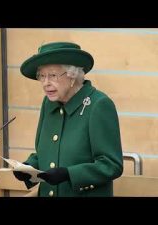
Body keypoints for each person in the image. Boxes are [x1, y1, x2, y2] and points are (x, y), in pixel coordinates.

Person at [13, 42, 123, 197]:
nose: (45, 83)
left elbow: (111, 165)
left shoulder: (98, 105)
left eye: (52, 75)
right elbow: (46, 152)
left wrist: (69, 174)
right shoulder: (49, 104)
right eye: (42, 76)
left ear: (72, 75)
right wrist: (29, 167)